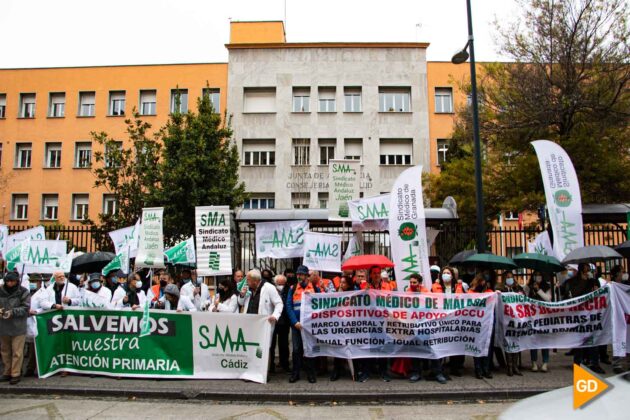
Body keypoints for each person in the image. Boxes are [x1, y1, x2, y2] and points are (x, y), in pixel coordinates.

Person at [562, 262, 604, 373]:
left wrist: (595, 288)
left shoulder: (593, 282)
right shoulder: (573, 282)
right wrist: (585, 286)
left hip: (591, 314)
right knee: (579, 340)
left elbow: (599, 296)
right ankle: (577, 363)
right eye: (586, 270)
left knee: (593, 339)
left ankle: (595, 363)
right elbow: (573, 295)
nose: (588, 271)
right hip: (579, 314)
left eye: (589, 270)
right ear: (581, 271)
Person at [406, 274, 446, 383]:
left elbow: (432, 308)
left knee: (432, 350)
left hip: (426, 326)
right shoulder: (407, 292)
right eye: (411, 282)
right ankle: (416, 373)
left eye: (414, 282)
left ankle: (437, 372)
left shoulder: (427, 293)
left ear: (419, 283)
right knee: (415, 350)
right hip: (414, 326)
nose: (412, 284)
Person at [286, 265, 319, 383]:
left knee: (310, 349)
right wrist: (295, 322)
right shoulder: (293, 288)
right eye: (298, 274)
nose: (299, 276)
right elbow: (289, 306)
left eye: (301, 274)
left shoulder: (315, 288)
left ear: (307, 276)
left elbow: (320, 305)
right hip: (297, 325)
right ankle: (296, 373)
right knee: (296, 349)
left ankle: (311, 374)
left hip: (309, 326)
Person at [0, 272, 31, 384]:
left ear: (17, 281)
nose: (10, 283)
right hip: (3, 325)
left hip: (18, 326)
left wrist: (12, 312)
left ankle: (16, 373)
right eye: (8, 281)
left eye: (12, 281)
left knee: (17, 352)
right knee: (5, 351)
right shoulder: (1, 290)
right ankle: (7, 372)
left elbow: (26, 308)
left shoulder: (23, 292)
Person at [330, 275, 356, 381]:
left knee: (351, 347)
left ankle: (354, 370)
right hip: (339, 324)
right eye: (341, 282)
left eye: (344, 282)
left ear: (349, 284)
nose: (341, 284)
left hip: (350, 325)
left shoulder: (354, 294)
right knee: (338, 347)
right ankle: (337, 370)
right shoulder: (337, 293)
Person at [442, 267, 466, 377]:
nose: (446, 275)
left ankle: (455, 367)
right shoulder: (437, 287)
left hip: (456, 320)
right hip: (442, 320)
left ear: (452, 276)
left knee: (455, 343)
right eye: (444, 273)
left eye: (448, 273)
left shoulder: (458, 287)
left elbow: (468, 299)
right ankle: (441, 368)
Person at [469, 272, 494, 379]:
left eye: (485, 281)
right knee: (476, 346)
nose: (483, 283)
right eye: (482, 281)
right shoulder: (471, 292)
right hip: (476, 323)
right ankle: (478, 369)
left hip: (487, 323)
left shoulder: (490, 292)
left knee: (487, 347)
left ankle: (486, 369)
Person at [527, 271, 551, 373]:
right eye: (536, 275)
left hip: (544, 317)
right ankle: (534, 362)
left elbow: (548, 299)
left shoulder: (547, 287)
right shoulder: (528, 287)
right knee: (534, 340)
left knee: (544, 340)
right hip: (533, 317)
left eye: (540, 275)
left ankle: (545, 362)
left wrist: (538, 290)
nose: (538, 277)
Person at [270, 274, 291, 374]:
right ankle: (271, 365)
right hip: (273, 320)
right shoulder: (271, 289)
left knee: (284, 344)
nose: (281, 286)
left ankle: (284, 364)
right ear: (275, 283)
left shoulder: (289, 289)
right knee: (271, 344)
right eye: (279, 284)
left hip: (284, 321)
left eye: (283, 284)